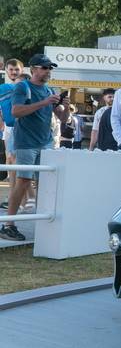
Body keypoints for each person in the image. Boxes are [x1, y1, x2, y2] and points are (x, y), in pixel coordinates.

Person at [0, 54, 69, 241]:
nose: (48, 71)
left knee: (46, 183)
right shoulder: (23, 87)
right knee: (23, 181)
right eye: (44, 67)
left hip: (45, 142)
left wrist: (66, 107)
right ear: (33, 70)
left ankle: (45, 223)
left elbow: (63, 118)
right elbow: (16, 111)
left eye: (50, 68)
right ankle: (8, 225)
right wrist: (44, 103)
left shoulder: (49, 90)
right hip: (26, 142)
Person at [0, 59, 24, 210]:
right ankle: (12, 198)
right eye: (11, 69)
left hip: (21, 128)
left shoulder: (24, 87)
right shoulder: (4, 88)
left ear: (22, 70)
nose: (14, 72)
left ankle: (20, 200)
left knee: (17, 163)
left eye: (16, 69)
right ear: (7, 71)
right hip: (8, 129)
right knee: (10, 162)